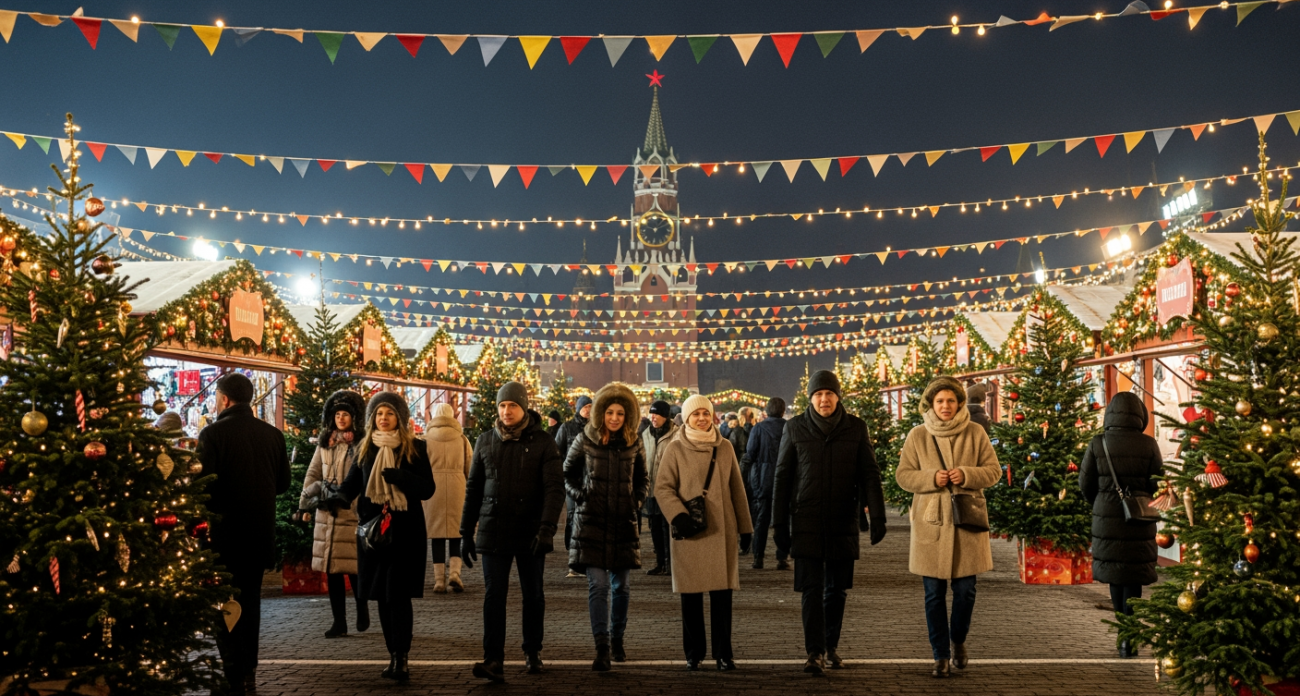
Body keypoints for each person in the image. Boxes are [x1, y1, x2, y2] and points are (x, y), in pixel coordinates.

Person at [773, 370, 887, 675]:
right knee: (811, 589)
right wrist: (779, 524)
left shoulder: (856, 428)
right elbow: (782, 477)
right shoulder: (795, 428)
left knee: (836, 590)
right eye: (818, 394)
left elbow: (870, 474)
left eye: (829, 393)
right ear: (811, 398)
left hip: (842, 519)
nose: (824, 399)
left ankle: (830, 645)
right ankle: (814, 652)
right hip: (806, 519)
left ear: (838, 397)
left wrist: (877, 516)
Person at [895, 376, 1001, 679]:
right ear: (931, 403)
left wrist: (965, 475)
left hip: (966, 522)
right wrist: (932, 478)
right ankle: (940, 654)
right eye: (939, 401)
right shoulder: (917, 435)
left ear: (959, 403)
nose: (945, 406)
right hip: (932, 524)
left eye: (950, 401)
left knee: (966, 591)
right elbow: (904, 476)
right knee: (933, 594)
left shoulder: (975, 432)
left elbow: (993, 471)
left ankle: (958, 639)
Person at [462, 382, 565, 683]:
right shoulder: (484, 441)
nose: (506, 411)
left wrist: (547, 528)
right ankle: (493, 658)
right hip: (493, 530)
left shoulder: (544, 442)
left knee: (533, 594)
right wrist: (466, 531)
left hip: (530, 531)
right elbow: (473, 490)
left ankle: (533, 652)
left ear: (524, 408)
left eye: (512, 406)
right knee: (494, 595)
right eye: (502, 406)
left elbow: (554, 490)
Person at [198, 373, 291, 695]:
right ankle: (248, 666)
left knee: (224, 600)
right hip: (259, 532)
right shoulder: (272, 435)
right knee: (251, 601)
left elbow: (203, 487)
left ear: (224, 399)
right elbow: (282, 485)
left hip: (225, 535)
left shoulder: (213, 434)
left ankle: (231, 668)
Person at [337, 392, 435, 682]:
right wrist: (336, 498)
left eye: (389, 413)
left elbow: (427, 489)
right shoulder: (364, 448)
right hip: (373, 534)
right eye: (378, 413)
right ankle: (392, 654)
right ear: (372, 419)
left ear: (400, 418)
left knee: (399, 595)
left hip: (405, 532)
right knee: (381, 595)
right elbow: (351, 483)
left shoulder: (415, 448)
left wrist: (400, 478)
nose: (383, 418)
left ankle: (402, 657)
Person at [655, 394, 753, 672]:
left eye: (706, 414)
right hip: (690, 530)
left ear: (713, 417)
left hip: (722, 529)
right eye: (695, 414)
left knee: (722, 597)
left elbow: (737, 488)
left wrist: (746, 528)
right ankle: (694, 652)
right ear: (686, 418)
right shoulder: (675, 448)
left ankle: (724, 653)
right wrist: (678, 515)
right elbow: (663, 488)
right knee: (691, 596)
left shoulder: (724, 448)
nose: (701, 419)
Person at [563, 383, 650, 670]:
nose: (615, 418)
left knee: (621, 586)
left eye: (621, 413)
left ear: (628, 416)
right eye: (610, 412)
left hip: (623, 523)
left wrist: (635, 501)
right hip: (592, 524)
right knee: (598, 585)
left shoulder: (634, 441)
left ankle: (618, 639)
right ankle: (601, 645)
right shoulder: (585, 440)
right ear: (601, 413)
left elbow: (642, 479)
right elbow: (567, 472)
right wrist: (580, 496)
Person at [1078, 392, 1163, 658]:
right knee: (1133, 577)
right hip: (1139, 517)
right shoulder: (1149, 444)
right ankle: (1132, 633)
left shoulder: (1098, 442)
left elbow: (1085, 484)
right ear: (1139, 415)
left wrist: (1103, 502)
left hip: (1108, 518)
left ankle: (1122, 635)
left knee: (1115, 576)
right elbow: (1156, 484)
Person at [298, 390, 369, 638]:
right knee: (332, 570)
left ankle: (362, 608)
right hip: (327, 514)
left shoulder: (360, 444)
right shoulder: (325, 443)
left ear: (353, 418)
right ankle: (339, 621)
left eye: (345, 414)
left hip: (351, 512)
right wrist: (305, 505)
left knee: (354, 567)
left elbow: (364, 479)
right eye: (337, 414)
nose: (341, 418)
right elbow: (313, 474)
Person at [423, 402, 473, 594]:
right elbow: (470, 467)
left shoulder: (426, 439)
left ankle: (439, 581)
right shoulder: (461, 439)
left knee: (436, 535)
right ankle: (455, 574)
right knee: (455, 533)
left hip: (432, 489)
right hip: (457, 487)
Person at [746, 397, 790, 570]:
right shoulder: (788, 427)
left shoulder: (759, 428)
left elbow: (750, 453)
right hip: (784, 480)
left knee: (762, 520)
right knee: (783, 520)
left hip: (763, 479)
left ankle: (758, 557)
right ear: (782, 410)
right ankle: (782, 557)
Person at [556, 395, 594, 576]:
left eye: (590, 407)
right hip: (572, 481)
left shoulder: (596, 429)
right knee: (572, 518)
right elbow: (557, 452)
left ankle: (587, 559)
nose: (588, 410)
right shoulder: (566, 428)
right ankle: (573, 561)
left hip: (591, 481)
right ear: (578, 409)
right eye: (585, 407)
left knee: (588, 520)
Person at [643, 400, 677, 576]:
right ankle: (660, 562)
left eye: (657, 414)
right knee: (655, 527)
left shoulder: (676, 434)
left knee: (668, 528)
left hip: (669, 490)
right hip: (651, 489)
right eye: (652, 414)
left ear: (666, 416)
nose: (653, 417)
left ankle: (671, 564)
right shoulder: (646, 434)